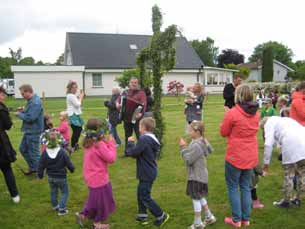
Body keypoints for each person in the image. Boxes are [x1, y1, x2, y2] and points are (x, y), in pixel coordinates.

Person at [220, 85, 259, 227]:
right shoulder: (256, 113)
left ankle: (236, 220)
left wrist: (227, 116)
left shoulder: (233, 113)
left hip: (235, 155)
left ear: (238, 95)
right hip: (250, 155)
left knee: (232, 187)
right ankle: (245, 219)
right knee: (245, 187)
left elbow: (223, 132)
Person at [125, 117, 169, 227]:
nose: (138, 128)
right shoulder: (150, 138)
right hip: (148, 170)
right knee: (140, 192)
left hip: (146, 172)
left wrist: (130, 143)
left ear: (144, 127)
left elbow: (134, 153)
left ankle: (161, 215)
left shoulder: (144, 139)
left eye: (140, 126)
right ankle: (142, 215)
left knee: (144, 195)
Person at [75, 118, 116, 229]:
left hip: (91, 177)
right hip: (99, 178)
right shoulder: (99, 144)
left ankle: (83, 215)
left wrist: (106, 141)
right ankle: (97, 223)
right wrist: (111, 143)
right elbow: (111, 158)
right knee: (101, 202)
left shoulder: (90, 141)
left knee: (94, 199)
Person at [260, 116, 305, 208]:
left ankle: (286, 201)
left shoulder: (269, 123)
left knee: (289, 175)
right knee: (302, 174)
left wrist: (265, 164)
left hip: (291, 143)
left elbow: (268, 144)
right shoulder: (285, 120)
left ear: (264, 125)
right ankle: (298, 199)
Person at [179, 121, 216, 229]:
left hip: (196, 177)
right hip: (201, 176)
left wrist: (183, 147)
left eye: (190, 130)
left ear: (197, 132)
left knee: (195, 199)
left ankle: (198, 223)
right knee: (200, 196)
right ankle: (209, 217)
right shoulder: (201, 140)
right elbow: (210, 150)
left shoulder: (196, 144)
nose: (188, 132)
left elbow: (188, 160)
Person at [38, 129, 75, 216]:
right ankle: (62, 209)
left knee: (53, 191)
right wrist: (72, 169)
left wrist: (40, 175)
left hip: (50, 177)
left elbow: (40, 165)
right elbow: (68, 163)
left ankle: (55, 206)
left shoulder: (44, 153)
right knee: (65, 192)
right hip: (61, 177)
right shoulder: (62, 152)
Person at [17, 84, 44, 175]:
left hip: (34, 131)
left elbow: (31, 118)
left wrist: (19, 114)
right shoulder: (31, 101)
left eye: (23, 94)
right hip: (29, 130)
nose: (22, 96)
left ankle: (40, 173)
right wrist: (24, 109)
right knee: (23, 149)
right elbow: (31, 111)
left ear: (28, 92)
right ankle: (33, 168)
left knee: (34, 153)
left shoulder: (35, 102)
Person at [0, 86, 20, 203]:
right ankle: (15, 195)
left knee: (6, 168)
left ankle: (14, 195)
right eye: (2, 95)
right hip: (1, 143)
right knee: (7, 169)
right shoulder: (1, 108)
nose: (4, 97)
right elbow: (7, 125)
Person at [116, 77, 147, 152]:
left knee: (139, 134)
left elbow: (144, 104)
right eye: (132, 82)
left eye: (135, 82)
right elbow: (118, 99)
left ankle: (141, 151)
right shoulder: (125, 92)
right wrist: (117, 104)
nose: (133, 84)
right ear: (129, 83)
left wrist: (140, 113)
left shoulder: (141, 93)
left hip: (136, 116)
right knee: (128, 134)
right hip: (126, 116)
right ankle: (128, 151)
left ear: (137, 83)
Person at [66, 81, 84, 151]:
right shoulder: (71, 95)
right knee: (77, 130)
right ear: (70, 88)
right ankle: (73, 146)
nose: (75, 89)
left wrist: (79, 97)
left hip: (74, 114)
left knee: (77, 130)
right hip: (73, 115)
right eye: (73, 87)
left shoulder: (71, 95)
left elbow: (77, 103)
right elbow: (77, 104)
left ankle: (75, 145)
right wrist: (81, 97)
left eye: (76, 87)